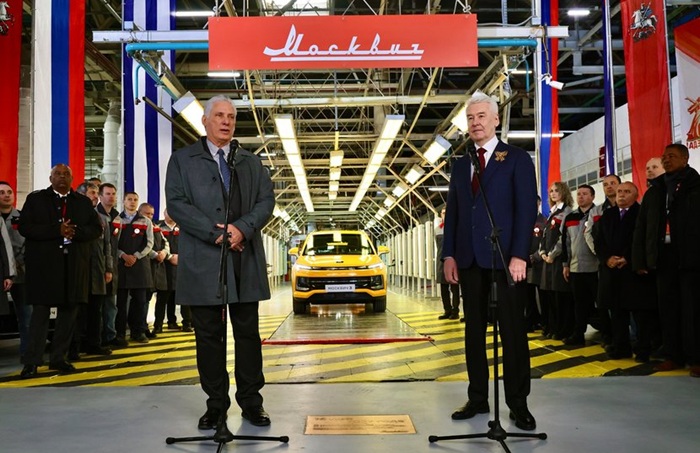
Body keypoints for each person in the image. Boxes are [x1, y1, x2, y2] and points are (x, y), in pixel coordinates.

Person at [165, 95, 275, 428]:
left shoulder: (251, 162)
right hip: (203, 261)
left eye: (231, 117)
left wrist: (242, 229)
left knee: (248, 335)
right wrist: (216, 234)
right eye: (219, 116)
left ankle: (252, 403)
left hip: (244, 261)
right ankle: (215, 404)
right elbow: (177, 203)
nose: (226, 122)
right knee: (208, 336)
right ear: (205, 120)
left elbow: (266, 201)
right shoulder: (182, 160)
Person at [442, 91, 538, 431]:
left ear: (496, 119)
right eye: (470, 118)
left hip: (505, 259)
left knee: (512, 332)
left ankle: (518, 403)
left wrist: (519, 255)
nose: (475, 123)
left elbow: (526, 210)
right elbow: (454, 213)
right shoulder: (461, 164)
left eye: (481, 116)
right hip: (469, 260)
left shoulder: (516, 158)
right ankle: (478, 397)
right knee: (473, 332)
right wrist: (449, 254)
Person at [19, 164, 102, 378]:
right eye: (57, 174)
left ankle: (58, 358)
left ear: (72, 179)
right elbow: (25, 227)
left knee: (68, 314)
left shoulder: (82, 202)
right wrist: (56, 230)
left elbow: (96, 229)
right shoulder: (36, 199)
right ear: (50, 178)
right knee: (40, 315)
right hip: (44, 267)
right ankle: (32, 362)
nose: (62, 177)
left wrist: (75, 232)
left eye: (66, 174)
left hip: (74, 266)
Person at [632, 144, 700, 377]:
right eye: (664, 157)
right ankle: (672, 355)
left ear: (685, 158)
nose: (666, 160)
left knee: (692, 309)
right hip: (663, 257)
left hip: (691, 257)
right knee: (668, 309)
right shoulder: (655, 191)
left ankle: (696, 357)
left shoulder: (696, 186)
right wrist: (640, 260)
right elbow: (642, 227)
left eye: (672, 156)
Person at [560, 185, 598, 346]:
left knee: (600, 303)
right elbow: (565, 243)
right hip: (576, 267)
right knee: (579, 303)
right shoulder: (570, 217)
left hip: (595, 267)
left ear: (592, 196)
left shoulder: (598, 213)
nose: (581, 197)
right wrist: (565, 264)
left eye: (585, 194)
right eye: (579, 194)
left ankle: (607, 334)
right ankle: (578, 334)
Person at [537, 182, 573, 341]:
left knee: (560, 298)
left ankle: (563, 329)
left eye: (556, 190)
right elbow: (544, 237)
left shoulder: (566, 212)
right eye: (551, 191)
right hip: (548, 261)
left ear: (563, 192)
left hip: (558, 260)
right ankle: (553, 327)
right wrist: (542, 252)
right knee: (550, 297)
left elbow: (563, 237)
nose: (553, 193)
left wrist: (552, 254)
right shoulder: (551, 213)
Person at [116, 192, 153, 344]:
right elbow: (113, 242)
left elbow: (149, 243)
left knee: (140, 301)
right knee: (121, 302)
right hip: (121, 265)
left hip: (140, 266)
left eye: (135, 200)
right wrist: (122, 255)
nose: (132, 202)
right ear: (123, 201)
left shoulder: (145, 221)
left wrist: (135, 256)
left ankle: (138, 332)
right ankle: (119, 333)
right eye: (129, 199)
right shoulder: (117, 220)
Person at [0, 181, 31, 360]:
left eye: (9, 192)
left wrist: (18, 262)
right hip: (1, 273)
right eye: (2, 192)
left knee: (26, 316)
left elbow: (29, 243)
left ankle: (28, 354)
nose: (6, 195)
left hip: (21, 273)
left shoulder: (22, 217)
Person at [96, 183, 125, 348]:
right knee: (98, 304)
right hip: (98, 264)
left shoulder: (117, 217)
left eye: (113, 193)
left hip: (113, 263)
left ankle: (110, 335)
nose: (111, 197)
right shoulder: (96, 215)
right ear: (100, 196)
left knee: (111, 303)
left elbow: (115, 243)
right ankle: (98, 337)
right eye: (107, 194)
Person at [434, 207, 460, 320]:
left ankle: (455, 310)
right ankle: (447, 310)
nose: (445, 215)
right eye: (443, 213)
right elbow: (437, 245)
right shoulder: (437, 229)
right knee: (443, 287)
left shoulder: (456, 228)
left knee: (454, 287)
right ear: (441, 215)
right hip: (441, 260)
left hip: (454, 260)